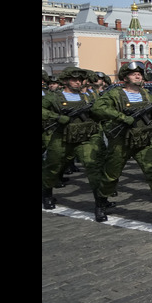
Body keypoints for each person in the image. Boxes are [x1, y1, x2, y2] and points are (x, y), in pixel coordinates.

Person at [88, 61, 152, 223]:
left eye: (139, 73)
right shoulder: (115, 94)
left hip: (144, 139)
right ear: (125, 77)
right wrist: (122, 117)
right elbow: (97, 108)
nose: (138, 76)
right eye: (133, 74)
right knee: (112, 174)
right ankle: (101, 203)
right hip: (121, 140)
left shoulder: (146, 94)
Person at [42, 66, 101, 210]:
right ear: (66, 80)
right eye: (74, 79)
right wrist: (56, 117)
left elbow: (100, 110)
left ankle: (100, 202)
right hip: (61, 137)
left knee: (93, 167)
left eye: (80, 80)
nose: (78, 82)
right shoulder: (54, 96)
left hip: (84, 137)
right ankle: (47, 195)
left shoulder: (87, 96)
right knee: (53, 166)